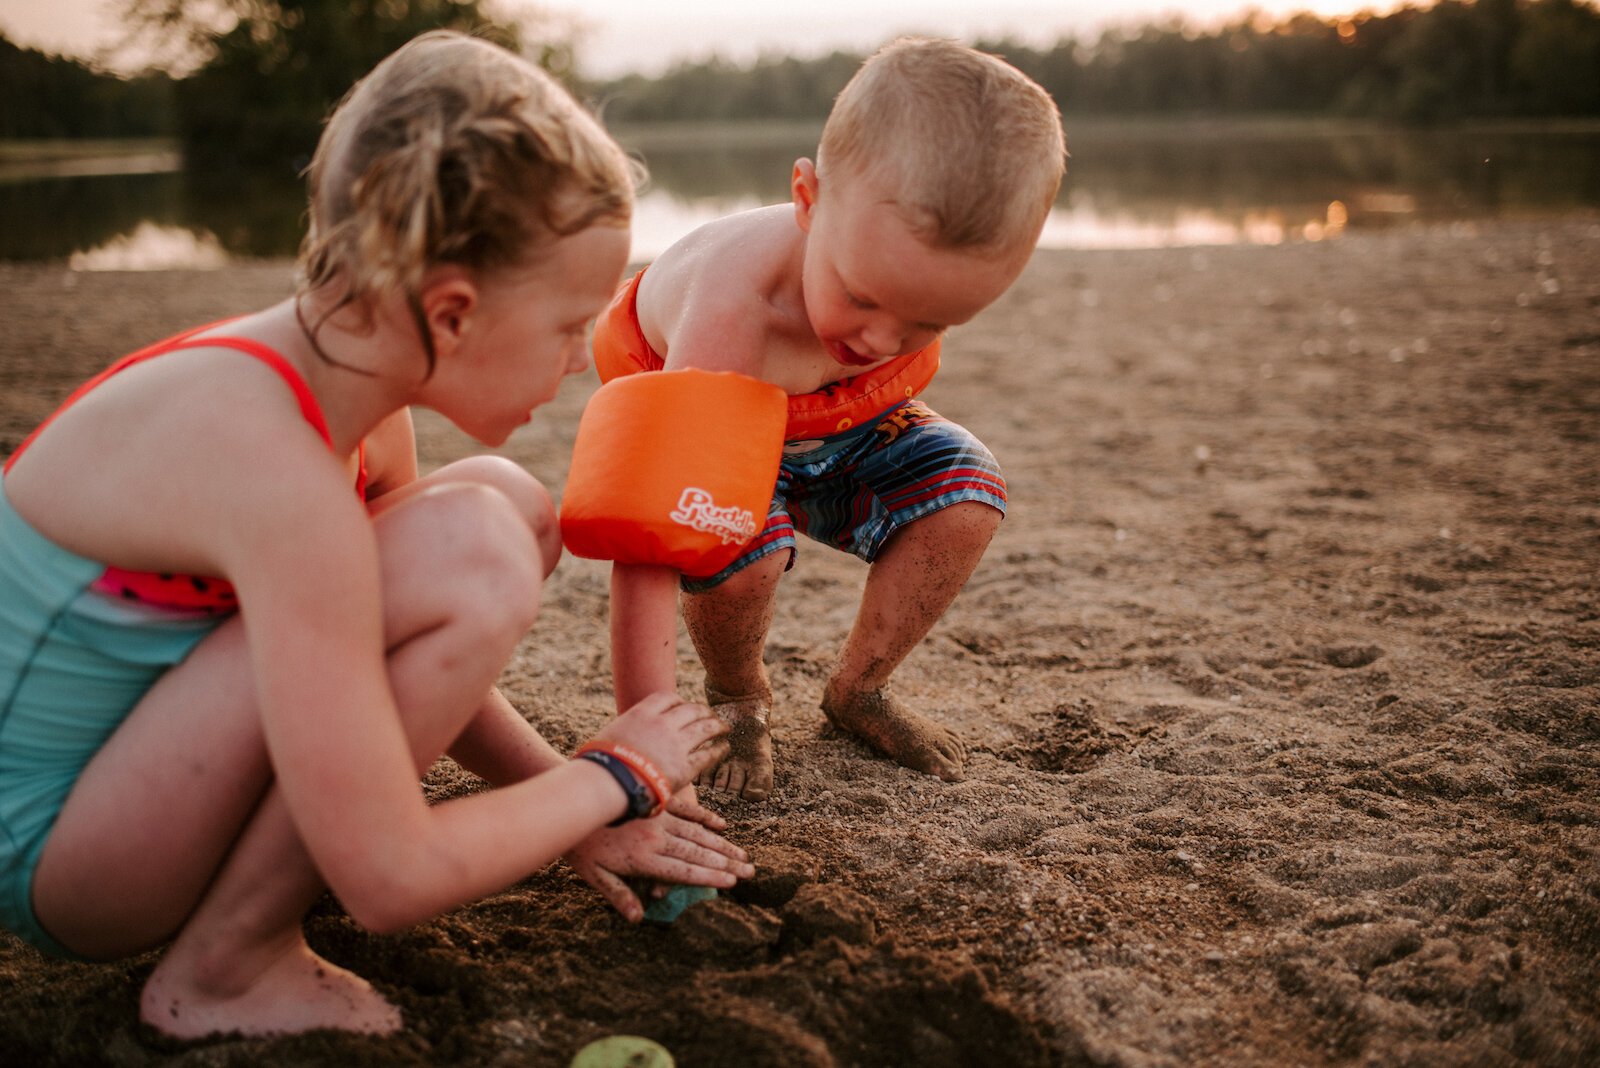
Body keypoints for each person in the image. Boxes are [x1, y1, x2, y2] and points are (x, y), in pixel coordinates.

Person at [0, 31, 752, 1041]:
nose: (578, 361)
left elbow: (398, 655)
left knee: (501, 506)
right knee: (477, 546)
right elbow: (390, 877)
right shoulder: (272, 471)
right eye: (568, 324)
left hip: (135, 789)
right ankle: (224, 967)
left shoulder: (342, 389)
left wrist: (583, 821)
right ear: (451, 309)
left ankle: (235, 925)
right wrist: (615, 775)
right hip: (57, 857)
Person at [593, 37, 1066, 801]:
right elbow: (650, 541)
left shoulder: (881, 285)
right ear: (808, 200)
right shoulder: (729, 321)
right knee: (739, 552)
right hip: (718, 429)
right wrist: (637, 736)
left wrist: (884, 322)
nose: (880, 341)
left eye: (928, 324)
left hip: (836, 426)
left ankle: (859, 690)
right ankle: (740, 696)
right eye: (864, 297)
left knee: (967, 490)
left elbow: (889, 351)